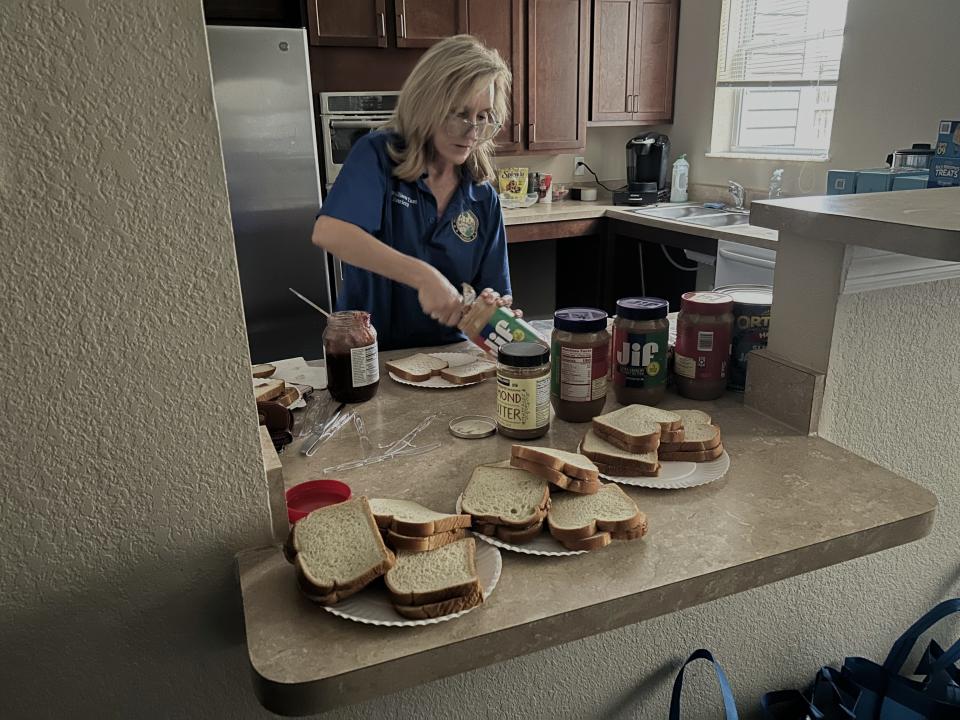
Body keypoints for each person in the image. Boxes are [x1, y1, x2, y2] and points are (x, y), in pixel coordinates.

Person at [311, 35, 521, 351]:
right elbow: (330, 232)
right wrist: (424, 277)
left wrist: (494, 315)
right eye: (459, 114)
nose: (472, 132)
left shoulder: (482, 197)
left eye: (482, 117)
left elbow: (488, 296)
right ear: (427, 106)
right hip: (370, 355)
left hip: (452, 356)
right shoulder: (378, 154)